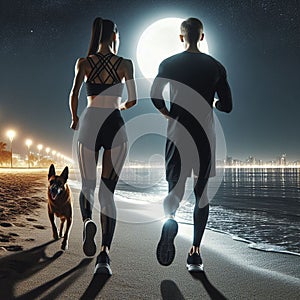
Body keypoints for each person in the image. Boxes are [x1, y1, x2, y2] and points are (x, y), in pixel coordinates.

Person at [151, 17, 232, 272]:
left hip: (177, 133)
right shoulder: (215, 66)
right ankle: (195, 253)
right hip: (204, 136)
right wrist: (212, 103)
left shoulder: (169, 64)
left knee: (174, 189)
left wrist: (167, 112)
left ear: (181, 37)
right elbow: (228, 105)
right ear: (203, 37)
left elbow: (155, 96)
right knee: (201, 195)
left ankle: (170, 219)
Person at [69, 17, 137, 275]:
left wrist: (75, 118)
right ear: (114, 37)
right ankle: (104, 256)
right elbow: (133, 100)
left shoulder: (83, 62)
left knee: (87, 185)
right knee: (107, 194)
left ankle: (87, 221)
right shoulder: (125, 64)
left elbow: (73, 94)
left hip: (89, 123)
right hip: (114, 125)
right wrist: (119, 107)